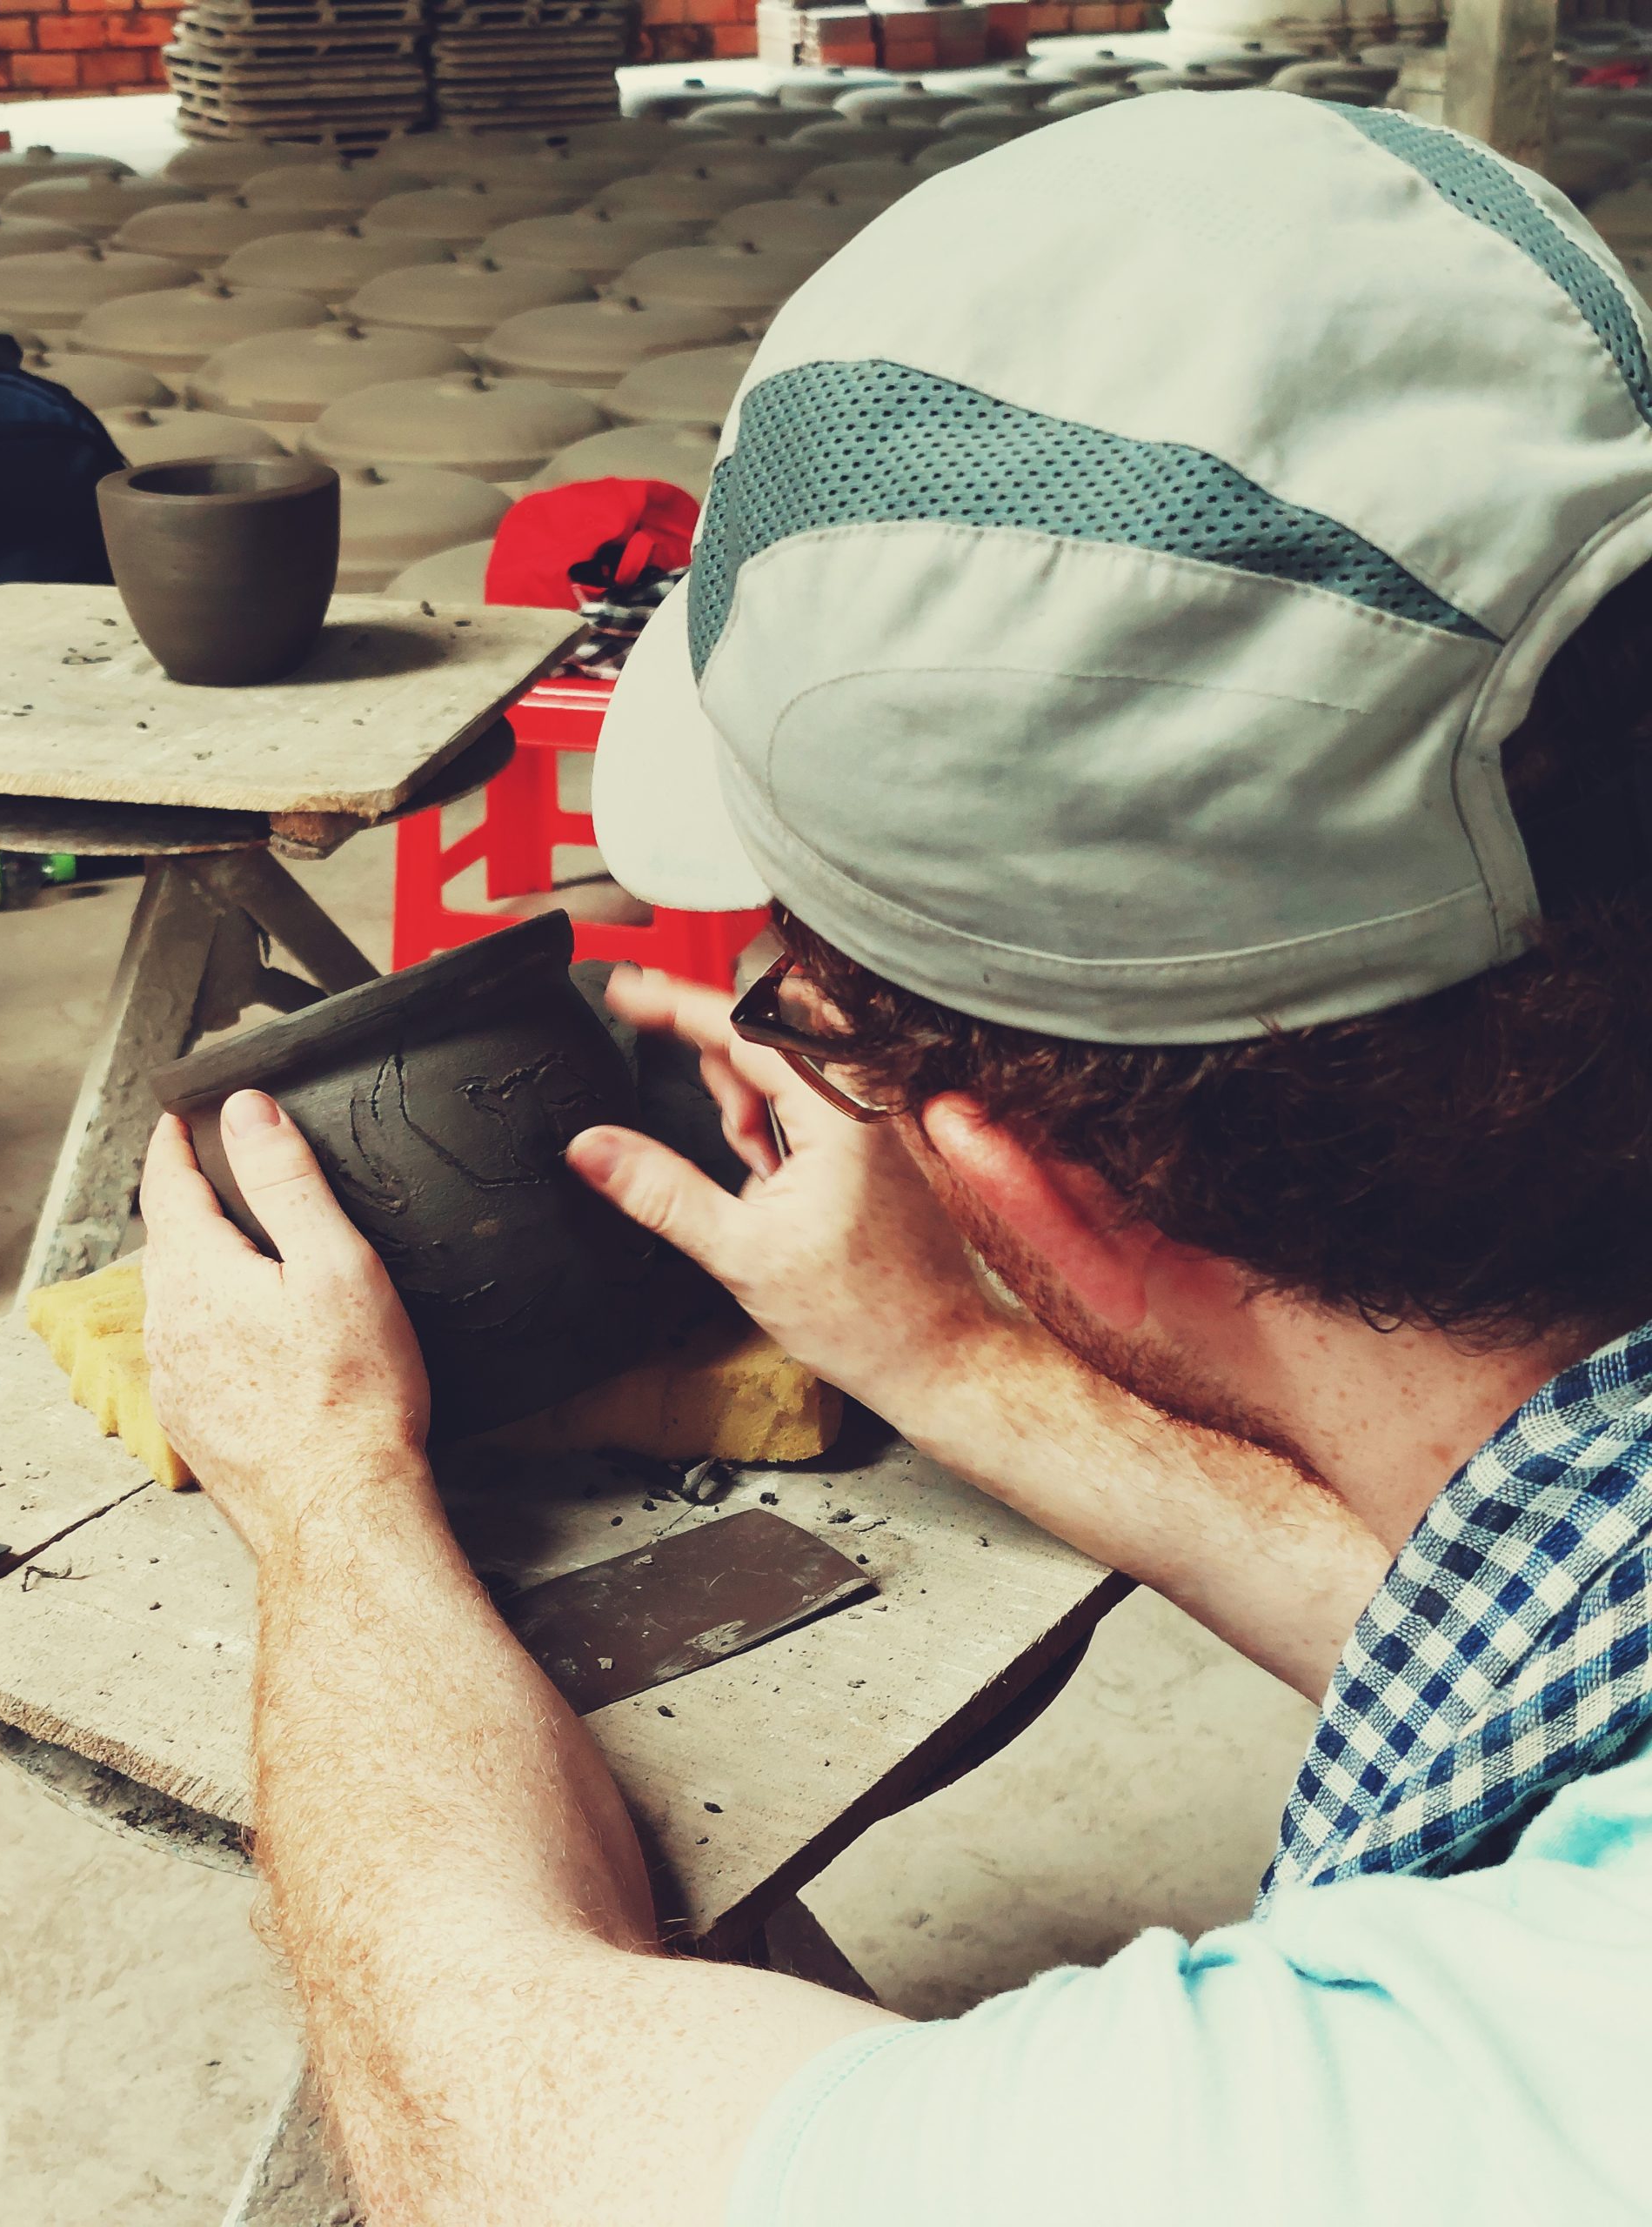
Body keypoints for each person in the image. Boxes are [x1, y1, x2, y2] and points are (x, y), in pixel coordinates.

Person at [140, 92, 1652, 2227]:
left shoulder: (1443, 2109)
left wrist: (323, 1482)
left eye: (816, 1012)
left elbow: (487, 2115)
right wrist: (942, 1347)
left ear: (1037, 1189)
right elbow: (1520, 1619)